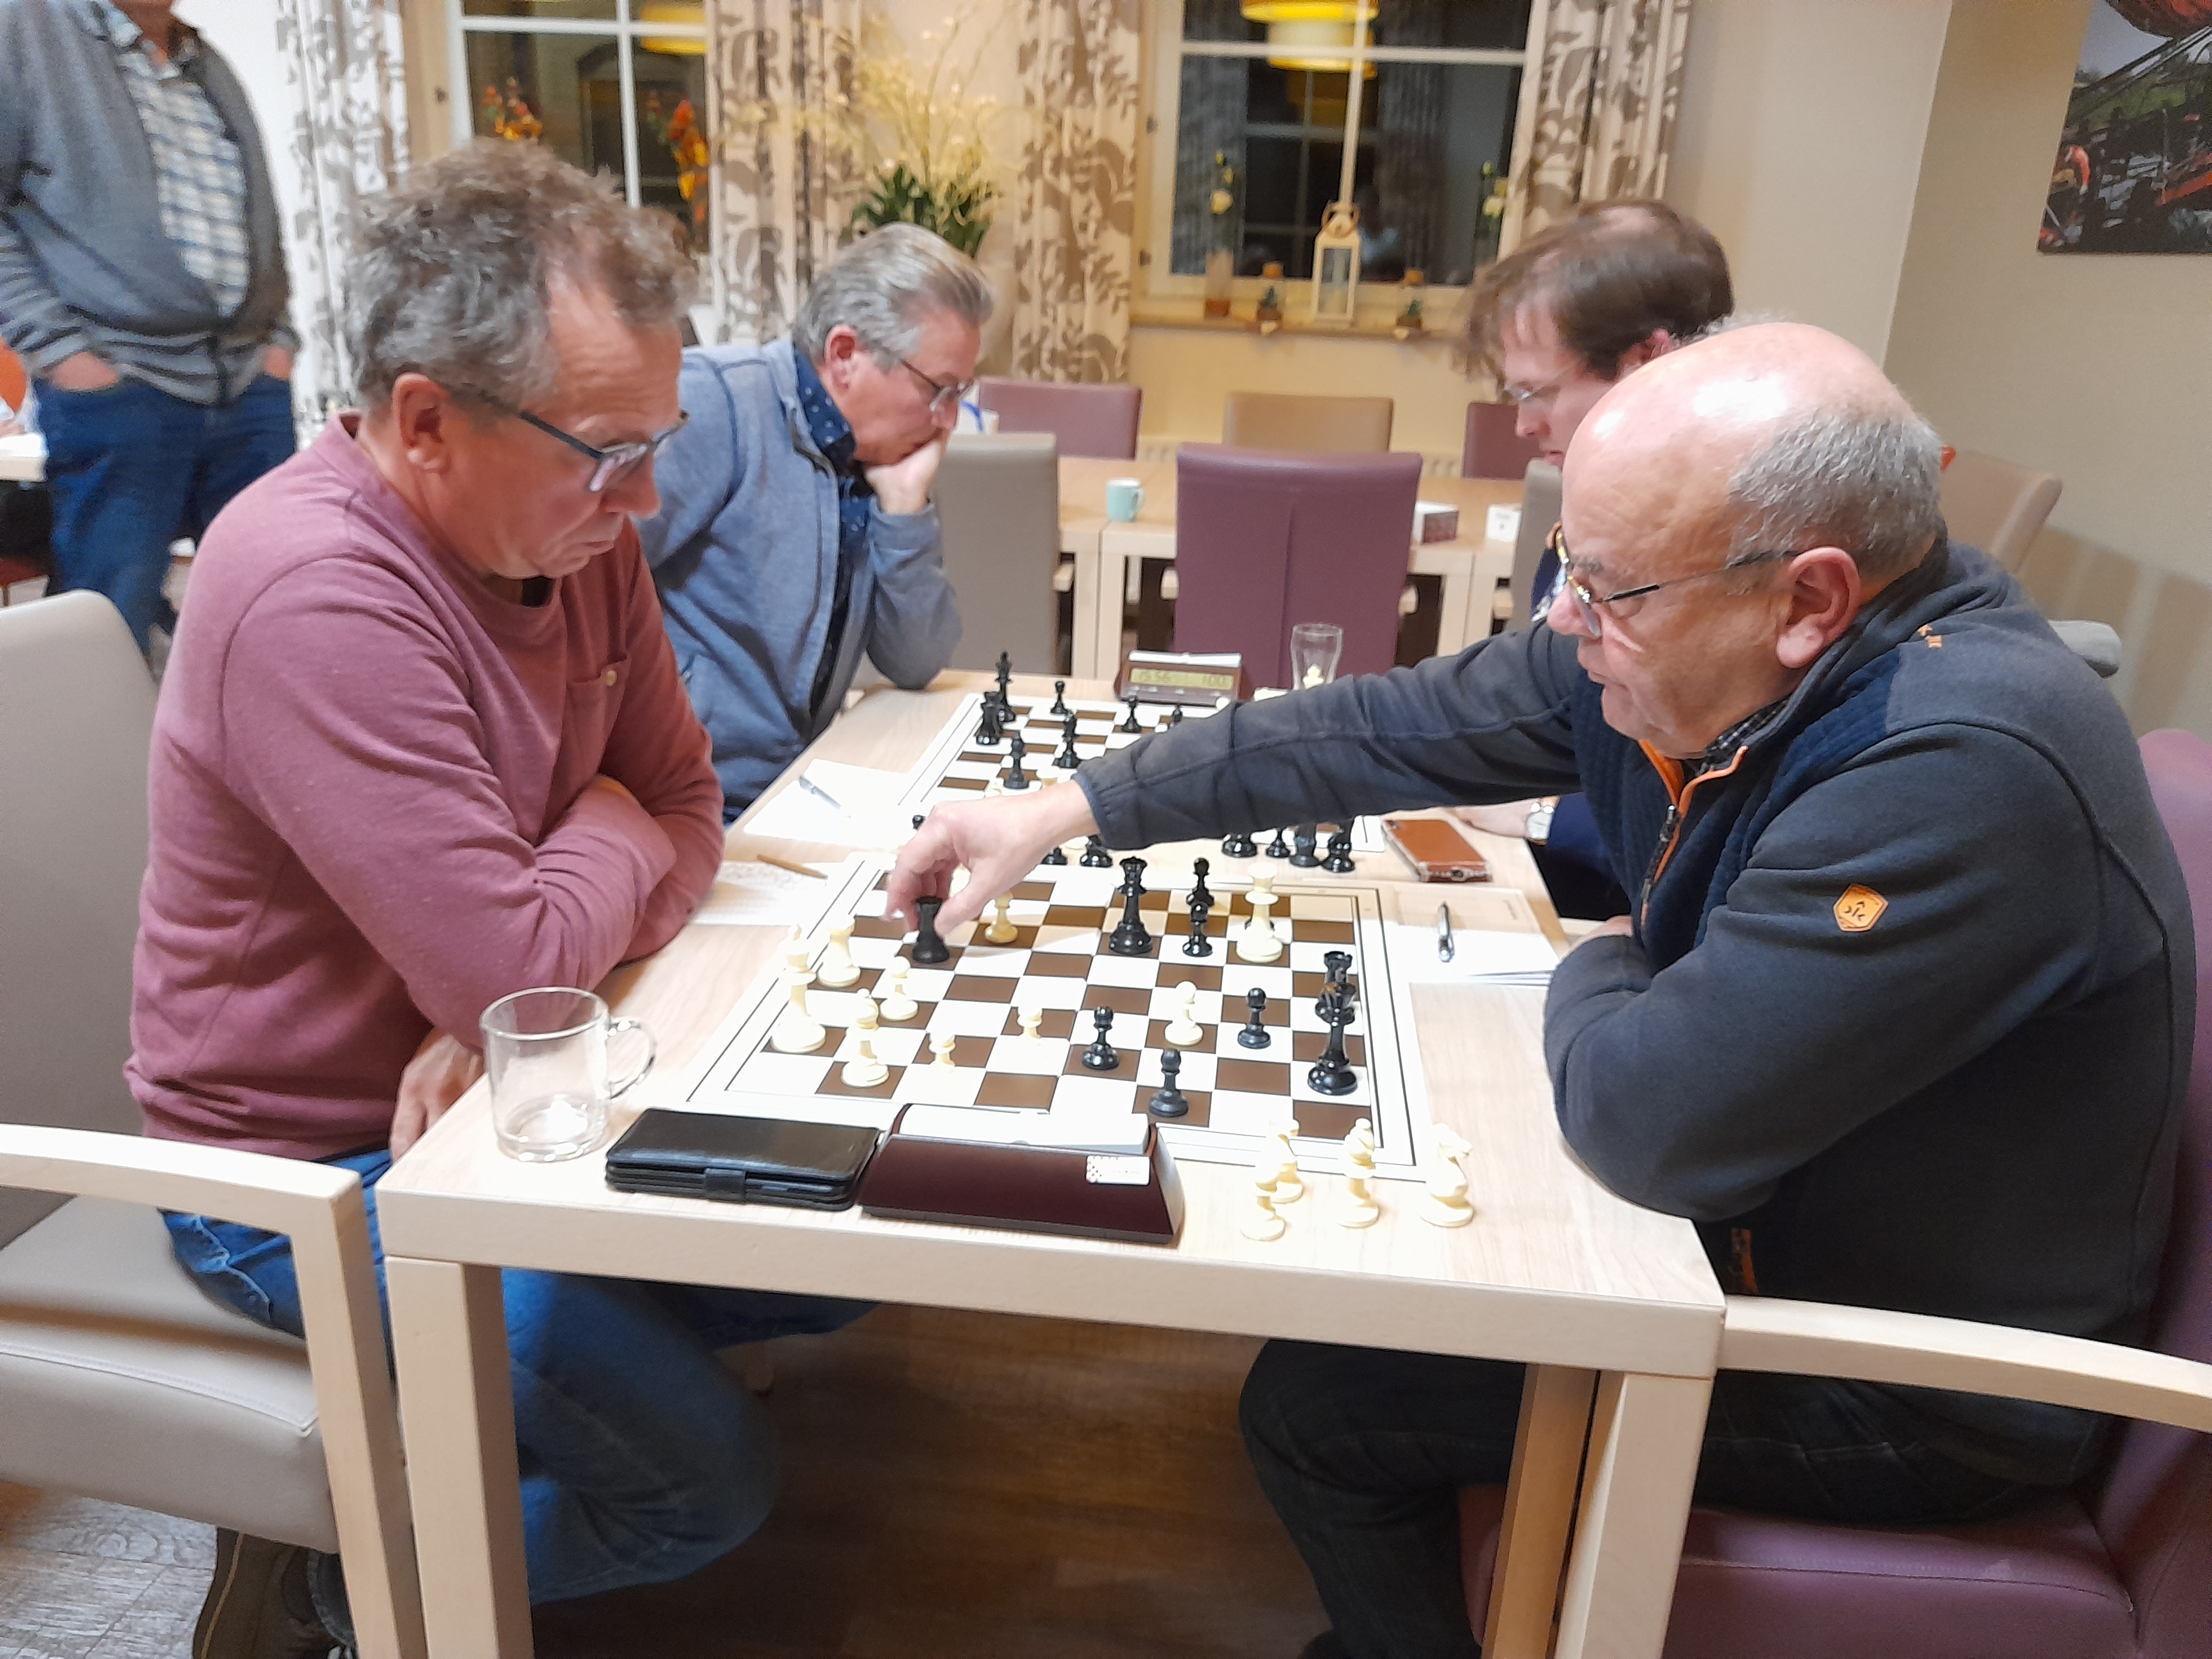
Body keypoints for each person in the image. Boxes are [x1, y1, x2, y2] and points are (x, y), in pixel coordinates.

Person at [887, 321, 2193, 1659]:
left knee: (1321, 1411)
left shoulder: (1963, 764)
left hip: (1902, 1382)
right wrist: (1063, 809)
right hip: (1742, 1250)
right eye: (1569, 563)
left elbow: (1650, 1118)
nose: (1566, 617)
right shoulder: (1687, 643)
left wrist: (1608, 954)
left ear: (1808, 599)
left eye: (1608, 588)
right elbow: (1370, 728)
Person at [134, 143, 865, 1658]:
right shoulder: (316, 585)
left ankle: (508, 1420)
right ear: (424, 423)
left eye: (657, 443)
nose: (646, 498)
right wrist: (590, 853)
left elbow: (690, 806)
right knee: (705, 1486)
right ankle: (352, 1598)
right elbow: (526, 948)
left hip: (515, 1099)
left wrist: (520, 975)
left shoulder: (574, 535)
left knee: (846, 1237)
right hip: (299, 1176)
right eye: (609, 450)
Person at [643, 223, 983, 818]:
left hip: (797, 789)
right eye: (939, 389)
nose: (948, 419)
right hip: (685, 803)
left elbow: (916, 661)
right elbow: (575, 587)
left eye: (960, 392)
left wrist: (905, 505)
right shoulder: (714, 404)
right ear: (845, 355)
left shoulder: (880, 454)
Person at [1458, 200, 1735, 914]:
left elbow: (1719, 827)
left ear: (1646, 362)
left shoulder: (1727, 556)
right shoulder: (1590, 511)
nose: (1523, 424)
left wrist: (1544, 819)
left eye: (1538, 392)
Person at [0, 0, 300, 655]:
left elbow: (258, 215)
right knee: (110, 624)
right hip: (120, 387)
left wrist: (279, 341)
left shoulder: (202, 59)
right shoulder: (22, 31)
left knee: (280, 609)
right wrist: (63, 354)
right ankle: (98, 731)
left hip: (249, 383)